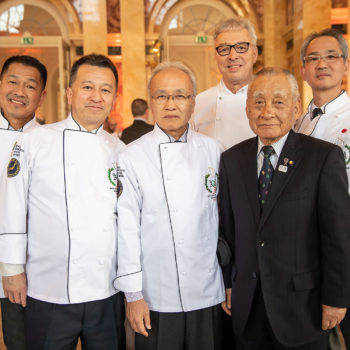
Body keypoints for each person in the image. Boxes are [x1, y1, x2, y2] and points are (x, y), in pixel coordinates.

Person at [0, 54, 125, 350]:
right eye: (87, 88)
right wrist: (11, 269)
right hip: (48, 289)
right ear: (70, 93)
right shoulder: (35, 141)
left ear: (113, 99)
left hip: (105, 289)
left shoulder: (121, 151)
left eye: (105, 90)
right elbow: (13, 207)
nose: (96, 97)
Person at [219, 67, 350, 349]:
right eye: (258, 102)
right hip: (248, 304)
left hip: (303, 307)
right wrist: (229, 283)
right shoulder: (231, 160)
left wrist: (337, 298)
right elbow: (228, 232)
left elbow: (338, 237)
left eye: (278, 102)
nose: (267, 111)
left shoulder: (324, 158)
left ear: (295, 108)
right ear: (247, 108)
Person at [115, 61, 225, 350]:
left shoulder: (213, 151)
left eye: (180, 95)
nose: (170, 104)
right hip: (154, 294)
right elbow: (126, 230)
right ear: (151, 102)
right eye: (161, 96)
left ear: (193, 102)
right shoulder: (132, 156)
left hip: (207, 289)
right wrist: (133, 295)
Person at [295, 27, 350, 346]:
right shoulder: (301, 121)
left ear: (345, 64)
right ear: (303, 70)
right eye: (313, 58)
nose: (322, 64)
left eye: (331, 57)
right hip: (307, 254)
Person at [0, 55, 47, 350]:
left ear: (41, 96)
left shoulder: (48, 140)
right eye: (12, 82)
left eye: (30, 86)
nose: (20, 91)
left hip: (32, 266)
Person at [191, 17, 258, 150]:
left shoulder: (271, 102)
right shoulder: (198, 103)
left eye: (241, 47)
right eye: (224, 49)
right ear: (215, 57)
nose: (232, 56)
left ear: (254, 54)